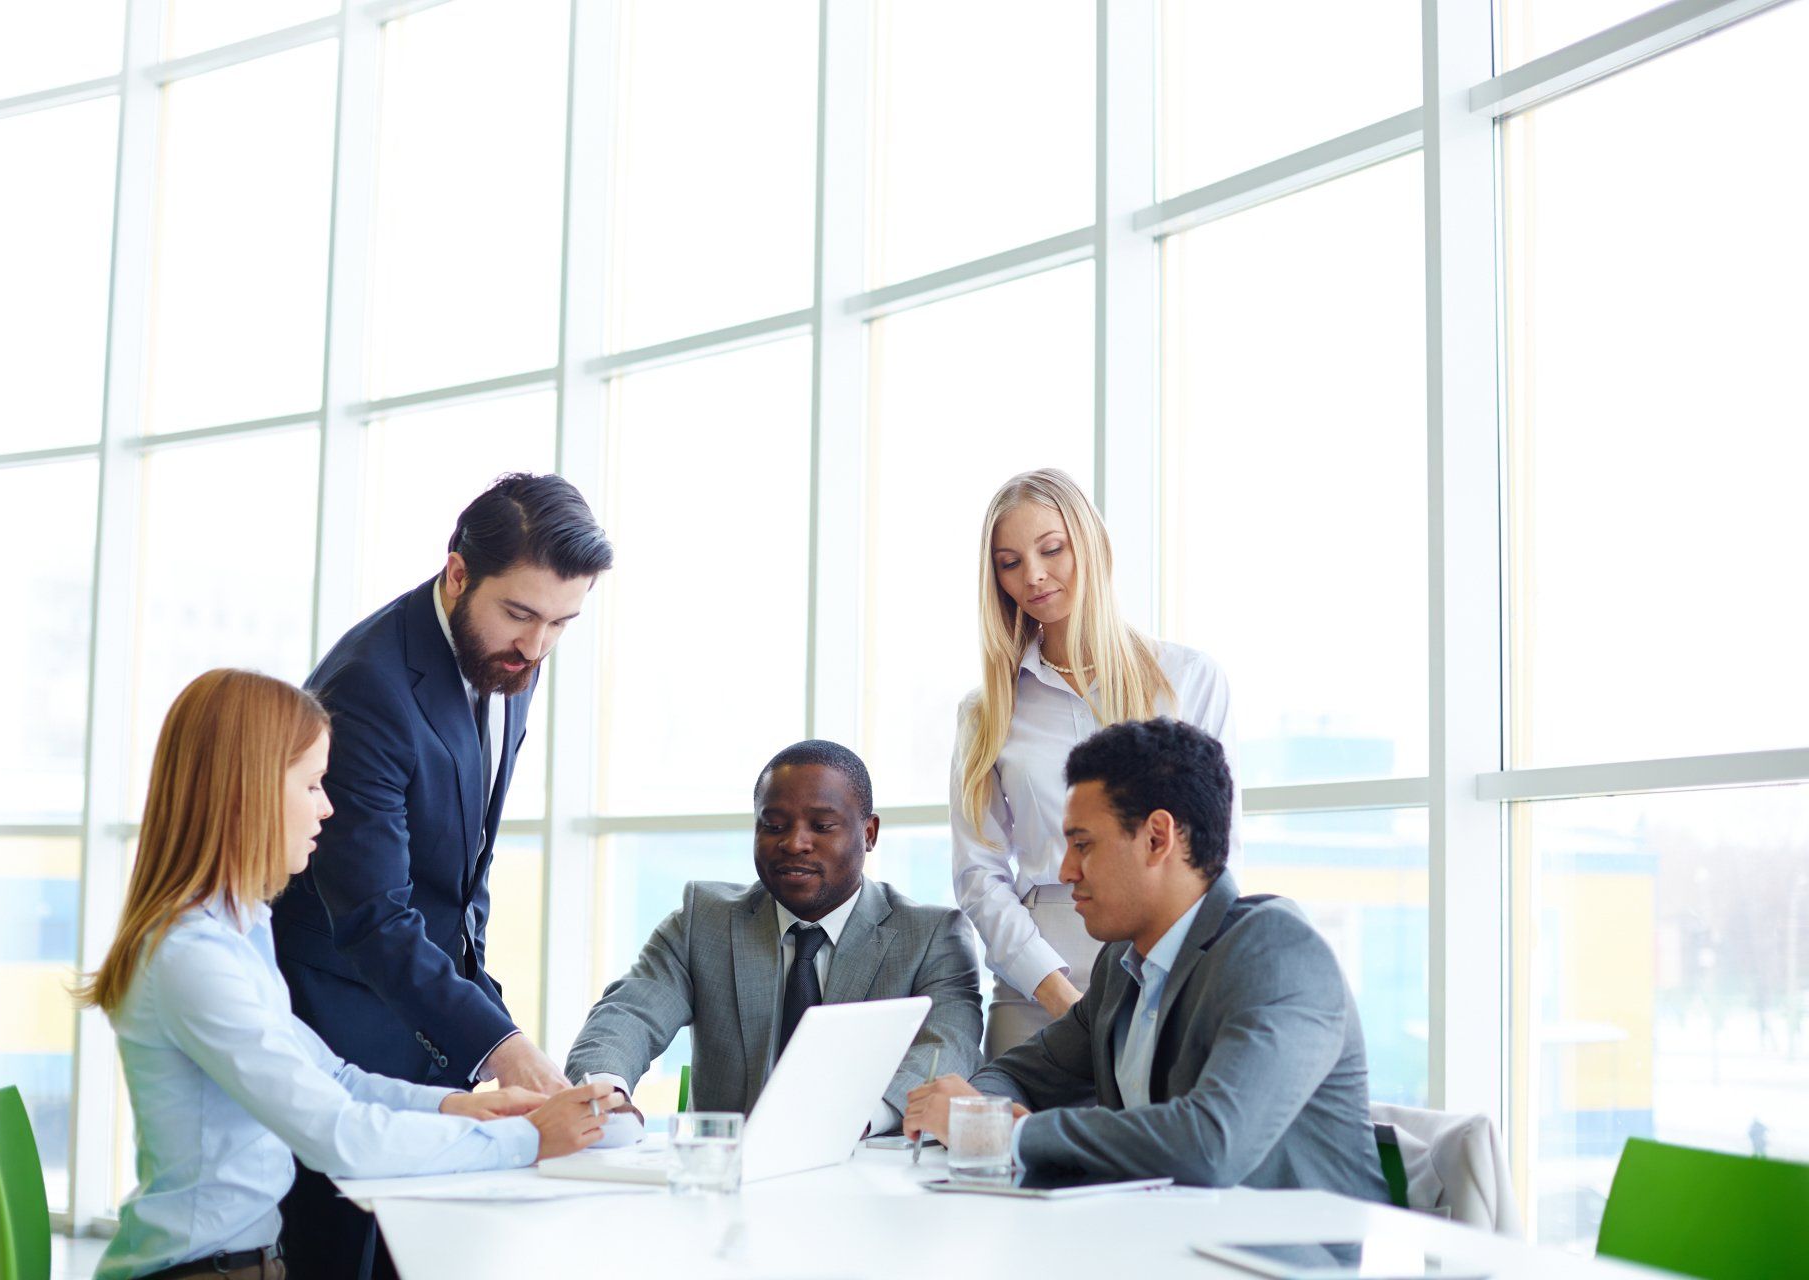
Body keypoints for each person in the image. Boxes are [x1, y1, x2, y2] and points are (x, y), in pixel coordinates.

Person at [78, 669, 613, 1280]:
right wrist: (530, 1140)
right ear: (246, 792)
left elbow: (333, 1079)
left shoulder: (237, 931)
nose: (327, 807)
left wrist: (464, 1108)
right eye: (311, 784)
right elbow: (337, 1135)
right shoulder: (192, 957)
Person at [270, 473, 613, 1278]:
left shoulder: (508, 662)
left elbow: (462, 879)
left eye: (563, 623)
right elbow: (375, 917)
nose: (536, 648)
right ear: (457, 573)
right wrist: (498, 1044)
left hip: (423, 1014)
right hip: (341, 1014)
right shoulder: (369, 688)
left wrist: (485, 1018)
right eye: (520, 614)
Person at [908, 718, 1386, 1200]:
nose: (1066, 871)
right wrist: (982, 1116)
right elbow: (1012, 1074)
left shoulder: (1279, 954)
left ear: (1158, 838)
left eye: (1082, 844)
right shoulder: (1122, 965)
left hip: (1295, 1261)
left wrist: (1005, 1135)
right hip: (1161, 1244)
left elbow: (1210, 1143)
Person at [953, 467, 1245, 1059]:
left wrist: (1181, 975)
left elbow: (1221, 847)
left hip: (1168, 969)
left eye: (1051, 549)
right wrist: (1057, 993)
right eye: (1009, 562)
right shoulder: (987, 710)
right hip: (1036, 977)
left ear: (1089, 543)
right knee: (1016, 1148)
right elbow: (978, 873)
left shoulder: (1187, 680)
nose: (1032, 576)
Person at [566, 740, 982, 1131]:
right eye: (774, 825)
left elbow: (946, 1048)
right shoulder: (703, 922)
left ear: (869, 833)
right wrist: (607, 1090)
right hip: (728, 1182)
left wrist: (856, 1120)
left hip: (869, 1170)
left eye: (821, 826)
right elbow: (629, 1013)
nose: (794, 843)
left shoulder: (930, 936)